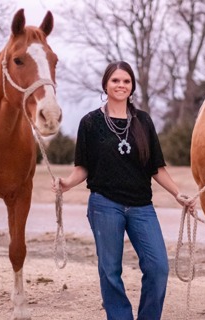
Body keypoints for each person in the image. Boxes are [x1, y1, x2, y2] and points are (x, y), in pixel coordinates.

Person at [53, 61, 195, 320]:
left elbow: (156, 168)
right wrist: (66, 184)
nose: (121, 85)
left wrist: (178, 193)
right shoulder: (90, 123)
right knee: (110, 271)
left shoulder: (143, 121)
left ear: (132, 86)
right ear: (106, 84)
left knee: (158, 267)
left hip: (142, 206)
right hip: (104, 204)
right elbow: (83, 168)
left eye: (126, 81)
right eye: (116, 80)